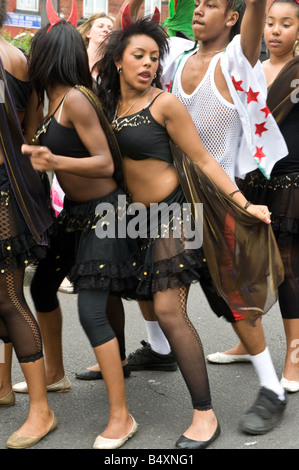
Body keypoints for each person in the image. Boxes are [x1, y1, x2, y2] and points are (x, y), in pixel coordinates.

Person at [95, 6, 284, 447]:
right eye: (197, 4)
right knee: (150, 291)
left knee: (228, 298)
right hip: (161, 207)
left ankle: (271, 387)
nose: (199, 10)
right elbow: (130, 47)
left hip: (216, 202)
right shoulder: (175, 62)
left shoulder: (235, 57)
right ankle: (160, 350)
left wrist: (244, 203)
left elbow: (200, 156)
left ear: (232, 17)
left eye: (212, 5)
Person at [17, 1, 139, 449]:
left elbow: (106, 164)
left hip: (107, 210)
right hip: (77, 213)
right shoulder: (49, 100)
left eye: (35, 53)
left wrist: (53, 158)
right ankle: (54, 374)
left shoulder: (76, 98)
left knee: (89, 309)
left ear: (49, 58)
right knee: (43, 286)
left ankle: (121, 417)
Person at [207, 0, 299, 394]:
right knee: (245, 267)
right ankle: (249, 343)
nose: (275, 31)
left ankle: (294, 356)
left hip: (292, 183)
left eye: (286, 24)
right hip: (252, 184)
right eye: (271, 23)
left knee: (290, 271)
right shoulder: (252, 71)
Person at [0, 0, 56, 449]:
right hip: (14, 183)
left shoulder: (11, 60)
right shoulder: (16, 58)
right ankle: (4, 383)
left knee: (7, 297)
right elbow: (30, 126)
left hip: (5, 190)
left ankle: (41, 409)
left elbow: (26, 131)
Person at [78, 12, 114, 80]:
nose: (106, 30)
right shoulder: (77, 60)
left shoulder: (114, 65)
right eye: (100, 26)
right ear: (88, 33)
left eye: (110, 29)